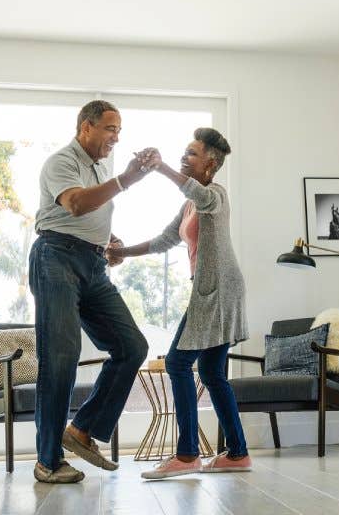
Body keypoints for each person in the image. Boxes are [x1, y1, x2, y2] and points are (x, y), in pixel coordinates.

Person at [108, 128, 251, 479]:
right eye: (183, 152)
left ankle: (187, 455)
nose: (185, 157)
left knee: (176, 363)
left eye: (192, 153)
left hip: (219, 290)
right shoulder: (189, 203)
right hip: (212, 291)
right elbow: (165, 239)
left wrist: (161, 167)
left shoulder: (215, 194)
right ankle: (238, 454)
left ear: (211, 163)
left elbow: (200, 197)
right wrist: (122, 252)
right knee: (213, 373)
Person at [28, 100, 152, 484]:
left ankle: (81, 431)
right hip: (56, 258)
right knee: (62, 356)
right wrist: (126, 180)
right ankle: (48, 461)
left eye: (119, 131)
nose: (116, 138)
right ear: (86, 127)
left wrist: (107, 241)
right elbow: (77, 204)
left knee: (132, 347)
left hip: (93, 266)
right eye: (110, 129)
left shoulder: (100, 166)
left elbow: (93, 214)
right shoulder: (61, 162)